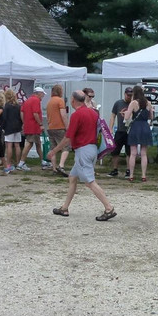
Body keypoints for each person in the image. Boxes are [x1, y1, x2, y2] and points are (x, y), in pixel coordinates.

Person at [51, 90, 117, 221]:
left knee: (89, 182)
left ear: (73, 100)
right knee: (72, 177)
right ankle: (64, 208)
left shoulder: (77, 115)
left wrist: (54, 151)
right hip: (92, 149)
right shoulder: (93, 113)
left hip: (83, 151)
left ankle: (109, 208)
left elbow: (68, 137)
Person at [125, 84, 153, 182]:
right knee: (144, 153)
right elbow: (151, 117)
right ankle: (143, 175)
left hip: (135, 127)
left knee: (133, 153)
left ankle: (131, 175)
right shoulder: (148, 103)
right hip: (145, 127)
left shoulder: (133, 103)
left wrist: (125, 114)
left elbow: (127, 117)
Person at [17, 86, 46, 171]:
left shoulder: (27, 100)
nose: (43, 96)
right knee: (29, 143)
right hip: (34, 126)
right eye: (42, 94)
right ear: (39, 93)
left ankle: (43, 161)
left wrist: (24, 122)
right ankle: (21, 163)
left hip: (28, 125)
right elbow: (35, 113)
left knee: (38, 143)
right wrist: (40, 124)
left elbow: (22, 112)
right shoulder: (36, 100)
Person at [45, 84, 70, 176]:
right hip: (60, 127)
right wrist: (67, 126)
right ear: (60, 91)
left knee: (53, 148)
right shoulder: (60, 101)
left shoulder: (49, 102)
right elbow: (63, 115)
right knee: (66, 146)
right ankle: (61, 166)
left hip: (51, 127)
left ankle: (54, 168)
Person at [108, 87, 133, 177]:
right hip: (120, 130)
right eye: (128, 95)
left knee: (129, 152)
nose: (129, 97)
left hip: (130, 131)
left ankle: (129, 170)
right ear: (124, 94)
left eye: (131, 95)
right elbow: (113, 116)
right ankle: (115, 169)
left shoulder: (133, 104)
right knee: (115, 151)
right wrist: (110, 128)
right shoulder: (118, 103)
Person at [0, 88, 22, 174]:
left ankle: (8, 163)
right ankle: (18, 162)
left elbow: (4, 118)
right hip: (17, 127)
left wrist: (3, 126)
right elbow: (20, 117)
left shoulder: (7, 106)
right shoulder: (18, 106)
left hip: (9, 127)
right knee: (17, 145)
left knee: (9, 145)